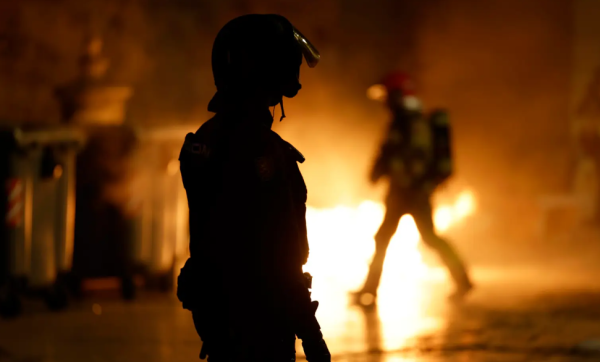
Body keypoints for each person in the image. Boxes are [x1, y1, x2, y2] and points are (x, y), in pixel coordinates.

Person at [176, 14, 330, 362]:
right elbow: (281, 257)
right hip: (262, 327)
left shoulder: (205, 141)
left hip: (219, 325)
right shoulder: (263, 152)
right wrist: (312, 335)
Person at [353, 71, 473, 305]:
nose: (385, 102)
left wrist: (394, 174)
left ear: (397, 95)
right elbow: (390, 152)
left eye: (387, 96)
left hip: (411, 192)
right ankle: (370, 289)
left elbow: (408, 156)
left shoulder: (412, 122)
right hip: (405, 192)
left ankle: (462, 280)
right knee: (394, 237)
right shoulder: (404, 120)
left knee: (414, 238)